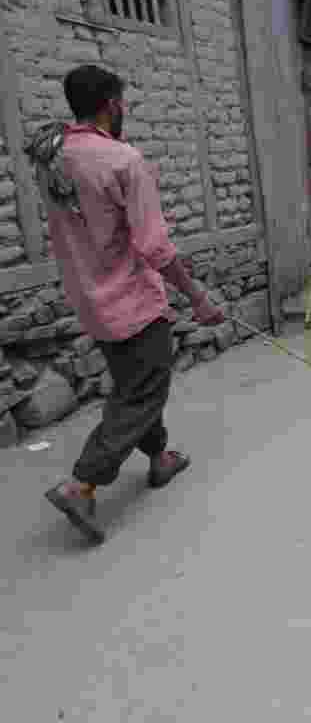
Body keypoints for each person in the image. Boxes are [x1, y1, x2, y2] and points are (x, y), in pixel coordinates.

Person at [24, 64, 226, 544]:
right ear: (113, 104)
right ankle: (81, 483)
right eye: (124, 102)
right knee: (144, 390)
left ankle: (159, 458)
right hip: (132, 301)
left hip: (91, 300)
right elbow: (155, 247)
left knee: (133, 383)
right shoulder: (122, 161)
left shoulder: (51, 158)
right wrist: (197, 297)